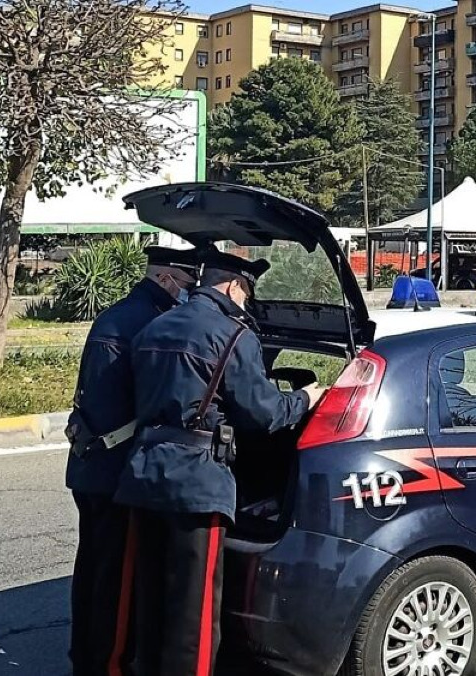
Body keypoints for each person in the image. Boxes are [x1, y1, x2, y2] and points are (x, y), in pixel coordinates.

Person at [114, 250, 326, 676]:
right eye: (247, 292)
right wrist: (306, 398)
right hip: (197, 482)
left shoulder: (156, 325)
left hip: (142, 475)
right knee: (193, 609)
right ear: (233, 285)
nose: (247, 302)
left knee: (150, 596)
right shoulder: (232, 334)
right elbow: (263, 414)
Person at [65, 246, 200, 676]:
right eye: (187, 283)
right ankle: (110, 664)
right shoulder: (153, 324)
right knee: (116, 584)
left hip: (89, 465)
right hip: (118, 470)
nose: (190, 292)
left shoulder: (118, 314)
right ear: (166, 279)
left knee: (92, 571)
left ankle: (84, 657)